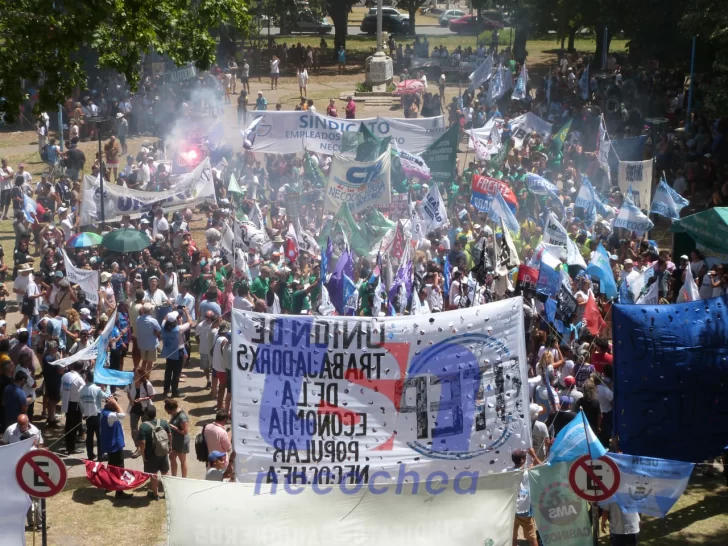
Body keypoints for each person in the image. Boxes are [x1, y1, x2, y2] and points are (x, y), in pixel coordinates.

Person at [98, 394, 133, 499]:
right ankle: (119, 492)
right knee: (119, 469)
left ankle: (108, 485)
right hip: (115, 446)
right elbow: (123, 415)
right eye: (114, 403)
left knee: (111, 466)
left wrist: (113, 403)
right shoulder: (110, 415)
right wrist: (115, 403)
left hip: (110, 445)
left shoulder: (103, 412)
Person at [137, 404, 171, 500]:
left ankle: (155, 495)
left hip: (151, 454)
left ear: (146, 414)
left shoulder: (144, 426)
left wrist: (143, 455)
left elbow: (142, 442)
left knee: (153, 474)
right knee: (165, 472)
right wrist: (169, 446)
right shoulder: (163, 422)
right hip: (163, 452)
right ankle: (167, 493)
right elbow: (169, 434)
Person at [160, 308, 193, 398]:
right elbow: (190, 322)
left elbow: (164, 318)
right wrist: (186, 311)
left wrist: (170, 313)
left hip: (168, 353)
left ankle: (165, 390)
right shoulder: (179, 329)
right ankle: (174, 391)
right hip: (178, 353)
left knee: (168, 371)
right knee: (176, 373)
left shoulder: (163, 326)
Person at [510, 449, 538, 546]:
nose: (526, 459)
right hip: (524, 510)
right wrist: (534, 456)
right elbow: (543, 467)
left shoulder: (506, 471)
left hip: (511, 510)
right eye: (525, 457)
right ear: (522, 460)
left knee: (512, 536)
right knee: (532, 537)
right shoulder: (528, 472)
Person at [126, 366, 155, 458]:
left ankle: (147, 446)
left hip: (145, 408)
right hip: (134, 408)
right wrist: (130, 399)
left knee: (145, 428)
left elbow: (152, 395)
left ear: (141, 374)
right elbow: (127, 391)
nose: (134, 375)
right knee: (134, 428)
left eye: (136, 374)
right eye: (133, 373)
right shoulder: (131, 382)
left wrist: (143, 398)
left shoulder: (147, 384)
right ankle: (138, 447)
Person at [79, 370, 106, 461]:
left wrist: (84, 413)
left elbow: (80, 403)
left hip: (87, 415)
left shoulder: (81, 390)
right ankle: (100, 455)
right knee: (99, 436)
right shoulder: (97, 389)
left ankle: (90, 455)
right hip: (97, 415)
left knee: (89, 436)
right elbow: (105, 396)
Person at [61, 361, 85, 454]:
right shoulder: (79, 379)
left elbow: (61, 389)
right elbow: (83, 392)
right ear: (81, 368)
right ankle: (71, 447)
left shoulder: (65, 375)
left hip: (67, 403)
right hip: (75, 404)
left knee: (68, 424)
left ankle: (69, 444)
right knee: (74, 426)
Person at [136, 302, 161, 373]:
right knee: (150, 363)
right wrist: (155, 333)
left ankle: (142, 376)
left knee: (144, 361)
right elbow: (159, 331)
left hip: (142, 344)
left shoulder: (138, 319)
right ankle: (146, 377)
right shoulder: (153, 321)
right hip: (151, 345)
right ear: (150, 310)